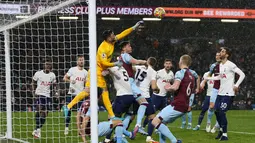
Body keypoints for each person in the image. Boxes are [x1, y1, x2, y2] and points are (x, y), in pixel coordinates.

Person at [63, 21, 144, 119]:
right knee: (103, 91)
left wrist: (134, 27)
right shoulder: (103, 48)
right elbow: (104, 63)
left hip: (96, 70)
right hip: (97, 71)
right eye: (113, 35)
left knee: (90, 91)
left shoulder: (112, 41)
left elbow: (123, 34)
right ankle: (112, 115)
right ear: (108, 37)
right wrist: (115, 64)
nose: (115, 36)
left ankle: (68, 106)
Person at [151, 55, 195, 143]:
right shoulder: (191, 75)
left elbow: (175, 87)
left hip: (177, 104)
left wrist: (168, 87)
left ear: (181, 62)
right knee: (162, 123)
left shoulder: (180, 73)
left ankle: (174, 141)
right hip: (184, 105)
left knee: (155, 121)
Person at [118, 41, 149, 135]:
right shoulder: (126, 55)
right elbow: (135, 61)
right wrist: (145, 62)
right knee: (144, 103)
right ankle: (138, 125)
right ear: (123, 48)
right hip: (130, 83)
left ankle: (119, 134)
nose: (130, 47)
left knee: (128, 112)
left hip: (122, 85)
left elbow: (129, 67)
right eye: (129, 46)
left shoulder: (119, 58)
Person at [214, 47, 245, 141]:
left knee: (222, 112)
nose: (220, 52)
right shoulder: (220, 65)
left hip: (228, 93)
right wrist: (207, 79)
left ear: (227, 55)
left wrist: (236, 85)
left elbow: (242, 74)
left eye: (223, 51)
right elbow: (220, 77)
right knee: (216, 111)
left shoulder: (231, 64)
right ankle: (220, 129)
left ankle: (225, 134)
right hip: (220, 92)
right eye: (220, 51)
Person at [194, 52, 221, 132]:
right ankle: (206, 123)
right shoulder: (209, 73)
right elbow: (205, 79)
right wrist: (202, 83)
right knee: (206, 109)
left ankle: (216, 126)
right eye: (216, 55)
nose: (217, 56)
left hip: (220, 93)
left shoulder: (224, 68)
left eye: (219, 55)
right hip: (209, 94)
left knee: (219, 111)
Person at [134, 57, 159, 143]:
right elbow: (154, 87)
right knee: (152, 116)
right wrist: (158, 89)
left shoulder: (139, 67)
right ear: (154, 64)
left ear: (147, 61)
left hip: (134, 94)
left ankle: (120, 134)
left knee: (130, 115)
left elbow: (131, 69)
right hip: (145, 96)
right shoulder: (153, 72)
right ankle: (149, 137)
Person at [31, 61, 58, 138]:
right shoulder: (38, 73)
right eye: (46, 64)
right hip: (39, 94)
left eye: (49, 64)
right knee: (40, 110)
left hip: (47, 96)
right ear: (44, 65)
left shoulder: (52, 75)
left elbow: (55, 85)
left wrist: (56, 92)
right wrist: (33, 92)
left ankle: (36, 129)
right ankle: (38, 131)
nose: (47, 66)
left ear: (51, 67)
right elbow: (33, 82)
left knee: (45, 114)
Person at [63, 55, 88, 135]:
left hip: (80, 95)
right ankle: (66, 127)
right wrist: (71, 80)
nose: (81, 61)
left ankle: (80, 130)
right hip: (71, 93)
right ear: (77, 61)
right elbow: (64, 78)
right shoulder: (72, 69)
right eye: (80, 60)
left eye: (82, 60)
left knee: (81, 113)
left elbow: (87, 83)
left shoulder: (86, 72)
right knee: (68, 111)